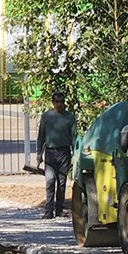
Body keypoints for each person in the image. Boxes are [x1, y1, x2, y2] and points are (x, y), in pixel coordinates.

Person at [37, 91, 77, 219]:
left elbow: (74, 136)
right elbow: (41, 136)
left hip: (64, 152)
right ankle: (48, 211)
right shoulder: (46, 117)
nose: (59, 104)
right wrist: (39, 154)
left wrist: (75, 153)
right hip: (50, 152)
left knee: (61, 182)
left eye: (61, 102)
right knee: (50, 181)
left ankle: (59, 210)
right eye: (56, 102)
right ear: (53, 102)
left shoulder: (69, 117)